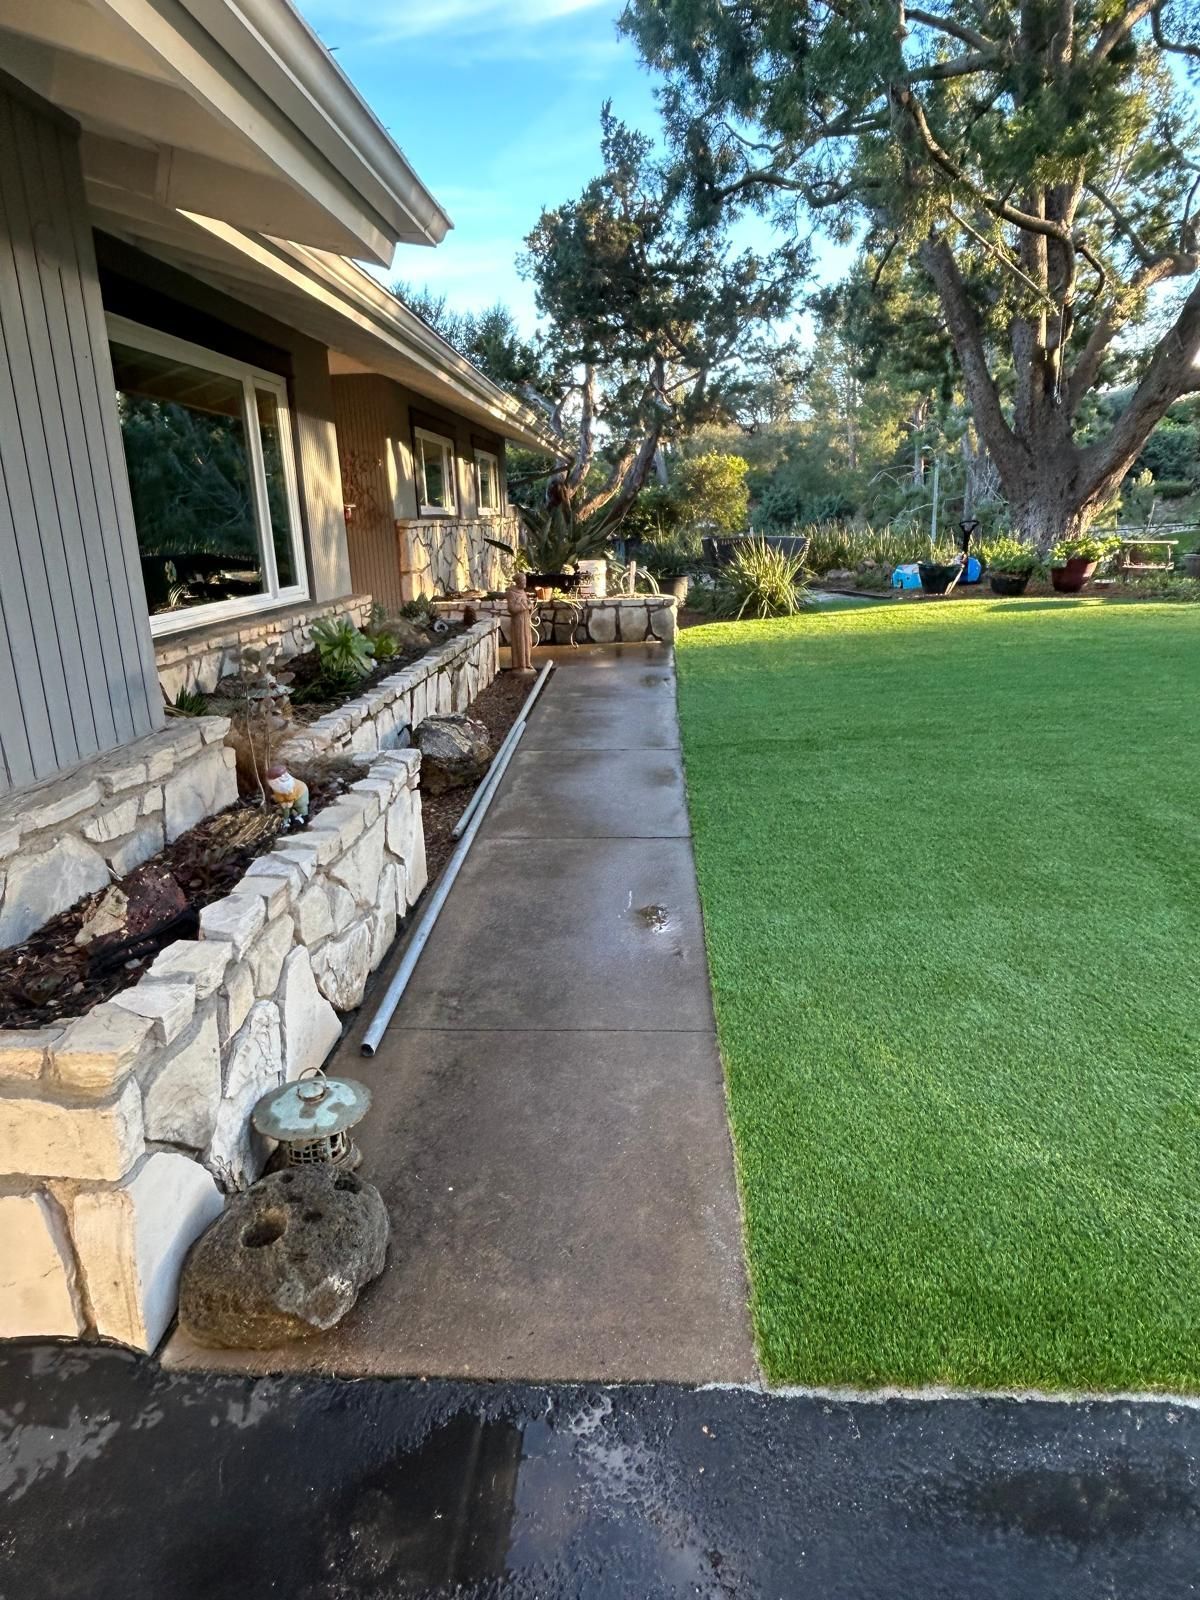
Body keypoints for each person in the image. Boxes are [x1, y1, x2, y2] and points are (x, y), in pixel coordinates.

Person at [505, 572, 535, 674]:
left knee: (528, 641)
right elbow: (512, 608)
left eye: (525, 581)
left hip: (525, 620)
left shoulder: (522, 591)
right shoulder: (511, 592)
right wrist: (525, 606)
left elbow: (526, 603)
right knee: (520, 641)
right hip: (518, 621)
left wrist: (530, 605)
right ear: (518, 582)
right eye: (523, 581)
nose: (525, 583)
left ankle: (527, 662)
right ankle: (520, 665)